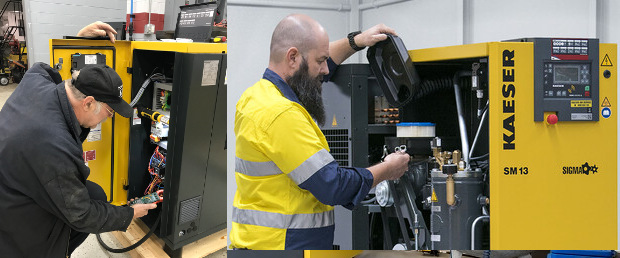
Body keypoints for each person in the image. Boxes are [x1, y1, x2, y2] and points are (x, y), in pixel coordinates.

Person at [231, 14, 411, 250]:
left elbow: (317, 68)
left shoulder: (256, 96)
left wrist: (357, 41)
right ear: (293, 57)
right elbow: (332, 185)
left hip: (259, 244)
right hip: (282, 247)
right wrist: (388, 169)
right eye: (320, 60)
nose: (326, 70)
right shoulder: (281, 114)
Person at [0, 42, 157, 257]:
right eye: (110, 112)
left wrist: (79, 40)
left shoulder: (35, 80)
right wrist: (128, 215)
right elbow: (81, 215)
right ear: (89, 103)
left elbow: (46, 70)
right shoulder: (55, 147)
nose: (108, 119)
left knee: (96, 195)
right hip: (15, 215)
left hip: (15, 177)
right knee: (81, 213)